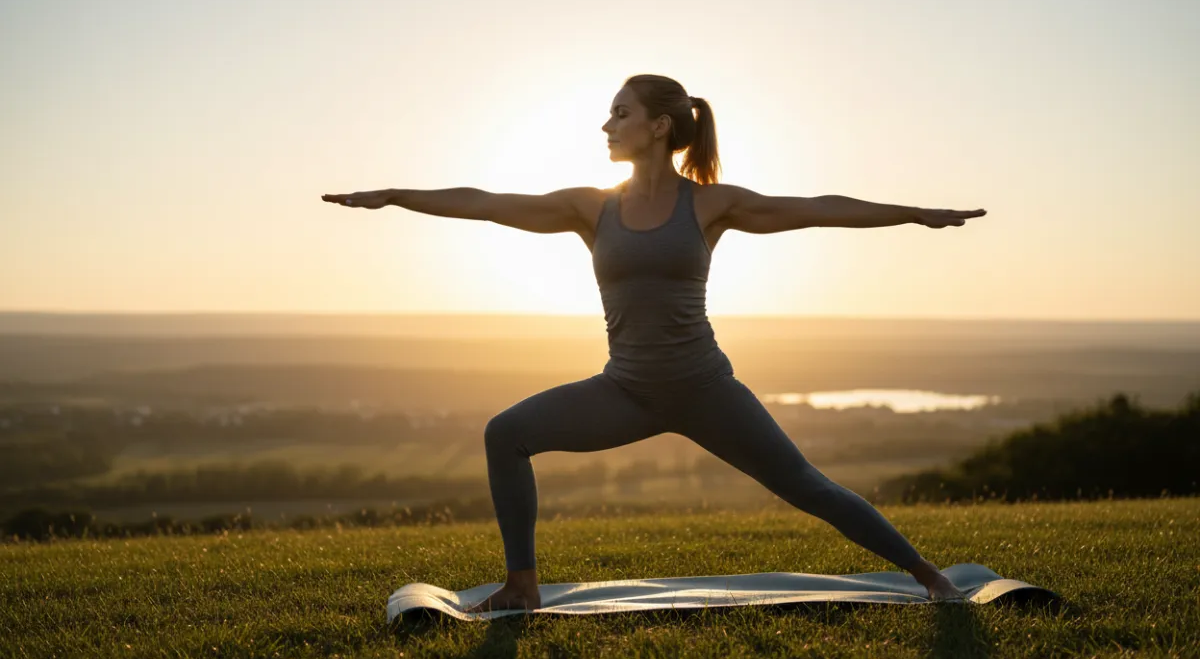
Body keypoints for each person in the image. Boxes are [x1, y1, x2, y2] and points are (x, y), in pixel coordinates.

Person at [323, 73, 986, 612]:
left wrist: (915, 214)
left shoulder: (709, 204)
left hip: (704, 389)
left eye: (619, 113)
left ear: (658, 126)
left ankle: (930, 578)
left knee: (809, 488)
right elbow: (488, 200)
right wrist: (394, 196)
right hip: (627, 391)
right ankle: (521, 585)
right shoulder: (590, 207)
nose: (607, 126)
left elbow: (817, 206)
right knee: (506, 433)